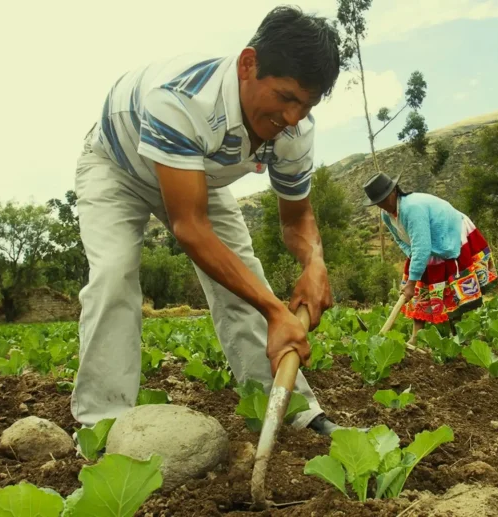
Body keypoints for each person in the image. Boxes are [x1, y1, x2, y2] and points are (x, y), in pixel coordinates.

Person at [70, 6, 346, 436]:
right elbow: (190, 227)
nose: (292, 117)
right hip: (118, 166)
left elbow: (297, 217)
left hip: (196, 174)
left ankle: (289, 409)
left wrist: (315, 262)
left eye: (305, 105)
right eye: (285, 97)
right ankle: (102, 426)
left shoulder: (295, 131)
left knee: (243, 277)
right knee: (114, 274)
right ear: (248, 64)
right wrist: (276, 310)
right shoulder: (180, 100)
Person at [362, 172, 498, 344]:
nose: (382, 205)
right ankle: (415, 338)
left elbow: (422, 246)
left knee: (453, 291)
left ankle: (459, 336)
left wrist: (411, 281)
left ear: (394, 191)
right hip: (427, 245)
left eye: (384, 199)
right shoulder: (386, 215)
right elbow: (400, 240)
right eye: (378, 202)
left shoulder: (412, 209)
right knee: (421, 292)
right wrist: (412, 257)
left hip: (450, 236)